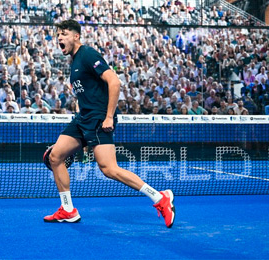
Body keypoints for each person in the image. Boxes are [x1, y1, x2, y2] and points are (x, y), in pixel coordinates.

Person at [43, 20, 175, 228]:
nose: (59, 37)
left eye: (64, 34)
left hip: (98, 118)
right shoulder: (75, 62)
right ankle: (68, 209)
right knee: (55, 156)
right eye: (58, 34)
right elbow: (85, 94)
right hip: (82, 119)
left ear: (76, 36)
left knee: (109, 169)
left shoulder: (87, 54)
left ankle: (160, 198)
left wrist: (109, 117)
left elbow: (114, 82)